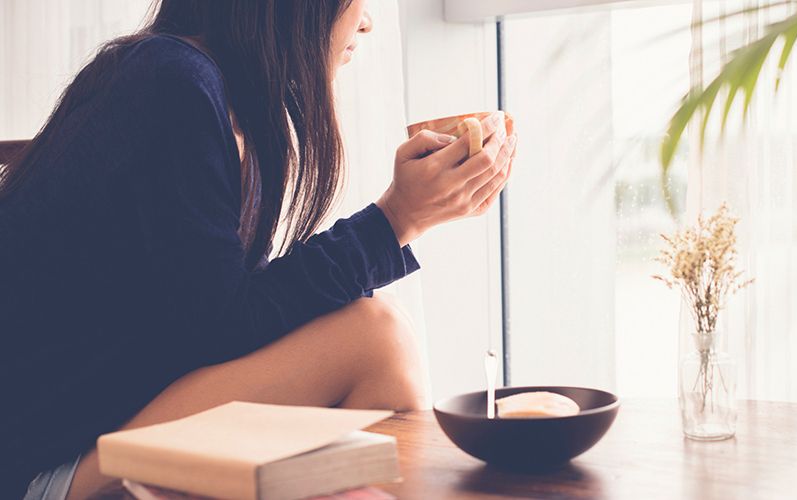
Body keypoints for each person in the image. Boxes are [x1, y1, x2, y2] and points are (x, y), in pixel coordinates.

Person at [0, 0, 518, 498]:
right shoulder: (169, 80)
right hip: (48, 470)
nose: (367, 23)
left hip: (101, 437)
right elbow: (221, 332)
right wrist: (397, 220)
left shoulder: (217, 98)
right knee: (376, 339)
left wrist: (404, 220)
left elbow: (226, 319)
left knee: (377, 336)